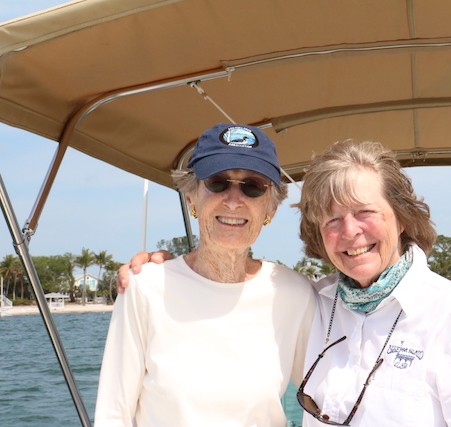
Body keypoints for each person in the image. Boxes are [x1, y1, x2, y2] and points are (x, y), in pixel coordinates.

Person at [120, 139, 451, 426]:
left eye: (365, 212)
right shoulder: (312, 301)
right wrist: (168, 271)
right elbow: (232, 300)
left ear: (401, 218)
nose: (350, 232)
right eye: (332, 219)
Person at [94, 123, 316, 427]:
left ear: (270, 209)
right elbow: (112, 415)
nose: (234, 200)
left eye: (253, 186)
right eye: (217, 182)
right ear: (191, 198)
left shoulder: (295, 293)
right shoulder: (144, 287)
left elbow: (327, 396)